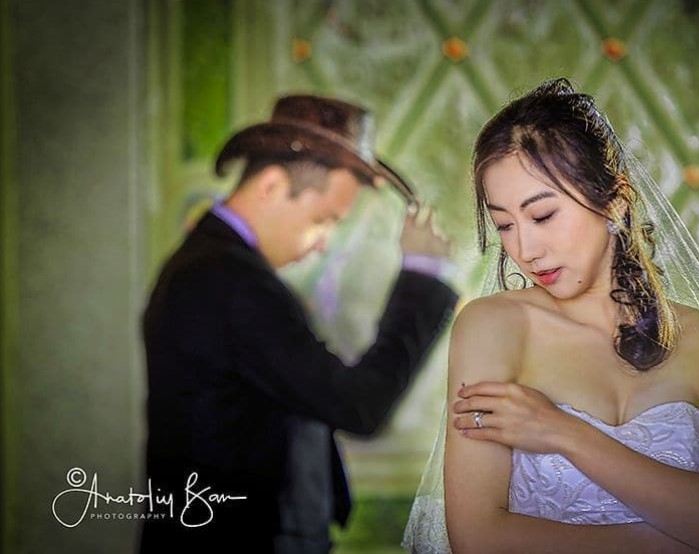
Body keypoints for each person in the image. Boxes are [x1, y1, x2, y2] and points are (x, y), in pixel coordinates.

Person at [403, 79, 699, 553]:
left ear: (615, 200)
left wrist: (561, 431)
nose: (525, 250)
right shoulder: (492, 328)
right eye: (504, 225)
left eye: (543, 215)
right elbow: (478, 539)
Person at [140, 94, 459, 554]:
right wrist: (421, 277)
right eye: (323, 219)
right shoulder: (228, 282)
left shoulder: (214, 269)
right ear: (271, 186)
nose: (323, 243)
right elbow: (358, 406)